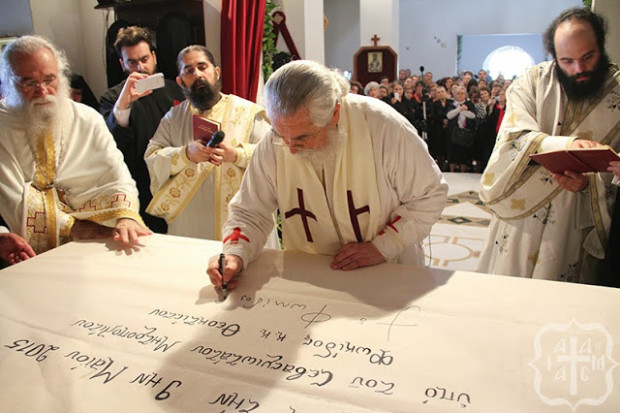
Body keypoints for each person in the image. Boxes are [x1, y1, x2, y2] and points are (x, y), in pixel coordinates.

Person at [206, 60, 448, 291]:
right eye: (280, 135)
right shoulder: (275, 142)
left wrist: (382, 247)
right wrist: (235, 254)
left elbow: (430, 196)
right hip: (312, 278)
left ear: (335, 113)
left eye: (302, 137)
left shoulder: (383, 127)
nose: (290, 149)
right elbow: (250, 211)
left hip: (386, 272)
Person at [477, 7, 619, 284]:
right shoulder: (531, 82)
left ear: (601, 46)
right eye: (567, 60)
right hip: (522, 214)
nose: (579, 69)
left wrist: (589, 184)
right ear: (554, 55)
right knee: (509, 287)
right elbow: (513, 138)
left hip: (574, 217)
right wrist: (568, 145)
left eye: (588, 57)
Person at [0, 35, 150, 263]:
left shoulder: (87, 118)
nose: (43, 91)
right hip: (22, 252)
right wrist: (72, 226)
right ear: (8, 82)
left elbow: (117, 175)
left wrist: (125, 217)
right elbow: (11, 201)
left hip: (96, 245)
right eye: (29, 83)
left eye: (49, 80)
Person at [144, 45, 271, 240]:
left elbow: (273, 155)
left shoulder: (249, 113)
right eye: (189, 71)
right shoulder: (173, 118)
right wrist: (185, 154)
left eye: (202, 67)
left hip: (241, 218)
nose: (197, 74)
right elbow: (152, 156)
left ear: (216, 72)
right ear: (180, 81)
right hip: (191, 222)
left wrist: (236, 155)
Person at [100, 26, 185, 234]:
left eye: (145, 59)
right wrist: (123, 104)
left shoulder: (176, 90)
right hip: (140, 186)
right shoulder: (112, 98)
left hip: (178, 181)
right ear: (122, 64)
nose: (140, 67)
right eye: (132, 62)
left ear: (154, 58)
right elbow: (110, 145)